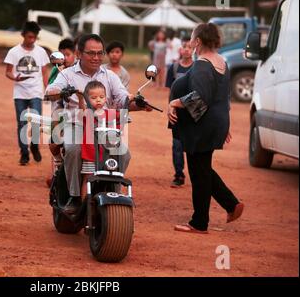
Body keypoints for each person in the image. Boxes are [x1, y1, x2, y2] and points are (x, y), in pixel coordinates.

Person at [46, 34, 153, 213]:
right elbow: (50, 91)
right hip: (76, 124)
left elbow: (122, 98)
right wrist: (63, 91)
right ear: (79, 53)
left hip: (103, 127)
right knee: (74, 149)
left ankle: (113, 191)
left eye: (99, 53)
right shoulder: (67, 74)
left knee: (124, 154)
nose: (96, 58)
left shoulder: (110, 76)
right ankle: (73, 196)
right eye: (91, 53)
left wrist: (140, 104)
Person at [168, 23, 244, 234]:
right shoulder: (222, 62)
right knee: (203, 169)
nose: (191, 43)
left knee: (199, 171)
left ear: (198, 41)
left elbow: (200, 97)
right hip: (216, 121)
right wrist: (223, 124)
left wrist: (175, 103)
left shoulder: (202, 64)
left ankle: (199, 222)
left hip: (202, 124)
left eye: (192, 39)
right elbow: (223, 97)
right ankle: (231, 205)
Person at [4, 21, 50, 166]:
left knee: (36, 121)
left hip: (36, 91)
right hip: (20, 94)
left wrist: (47, 89)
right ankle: (24, 153)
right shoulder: (14, 52)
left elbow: (44, 73)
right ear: (23, 35)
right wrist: (15, 77)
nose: (31, 40)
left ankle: (34, 146)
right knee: (22, 123)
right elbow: (8, 72)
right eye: (29, 37)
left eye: (34, 38)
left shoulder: (41, 52)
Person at [46, 38, 77, 186]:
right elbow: (50, 91)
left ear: (75, 55)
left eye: (68, 54)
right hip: (59, 109)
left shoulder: (79, 70)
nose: (65, 58)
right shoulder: (56, 70)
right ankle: (58, 166)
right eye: (62, 55)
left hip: (78, 111)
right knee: (54, 141)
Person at [165, 36, 194, 187]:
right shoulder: (174, 68)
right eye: (185, 46)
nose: (187, 49)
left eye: (190, 47)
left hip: (193, 113)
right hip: (176, 113)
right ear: (180, 49)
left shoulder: (197, 68)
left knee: (192, 145)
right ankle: (179, 174)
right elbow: (170, 91)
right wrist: (171, 109)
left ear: (194, 50)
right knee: (177, 145)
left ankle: (196, 174)